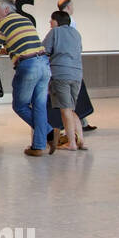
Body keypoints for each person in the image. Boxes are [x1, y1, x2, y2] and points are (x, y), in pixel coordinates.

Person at [0, 0, 52, 156]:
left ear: (6, 10)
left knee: (20, 105)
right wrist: (9, 49)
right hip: (44, 62)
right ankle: (39, 146)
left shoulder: (2, 23)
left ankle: (49, 132)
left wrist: (4, 50)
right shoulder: (26, 20)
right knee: (39, 105)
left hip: (28, 65)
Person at [43, 11, 85, 152]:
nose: (50, 23)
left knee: (65, 110)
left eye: (51, 20)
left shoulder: (54, 33)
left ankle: (71, 143)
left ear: (57, 21)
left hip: (61, 74)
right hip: (77, 74)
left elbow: (44, 50)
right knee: (71, 109)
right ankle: (81, 141)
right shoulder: (76, 33)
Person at [57, 0, 96, 132]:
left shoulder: (60, 20)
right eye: (72, 6)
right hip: (70, 65)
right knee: (72, 96)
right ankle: (79, 122)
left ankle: (80, 121)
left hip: (66, 65)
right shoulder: (68, 21)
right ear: (67, 7)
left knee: (70, 97)